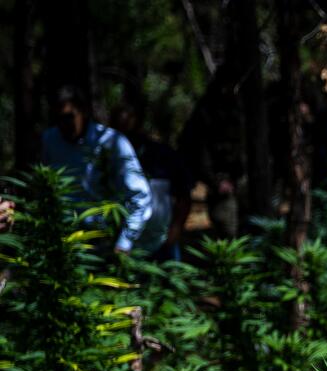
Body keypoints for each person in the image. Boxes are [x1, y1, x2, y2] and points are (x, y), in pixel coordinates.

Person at [41, 85, 153, 254]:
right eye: (59, 119)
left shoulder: (112, 142)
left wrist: (124, 242)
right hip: (63, 241)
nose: (64, 125)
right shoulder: (50, 139)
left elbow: (140, 195)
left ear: (84, 112)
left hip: (103, 240)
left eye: (69, 117)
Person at [111, 104, 193, 261]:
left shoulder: (162, 155)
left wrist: (175, 231)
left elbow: (184, 194)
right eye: (118, 123)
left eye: (129, 120)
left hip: (162, 242)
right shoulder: (107, 158)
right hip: (121, 243)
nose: (124, 127)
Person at [179, 63, 246, 238]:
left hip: (239, 179)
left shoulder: (236, 106)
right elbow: (200, 149)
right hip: (221, 180)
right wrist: (215, 181)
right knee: (226, 229)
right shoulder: (208, 109)